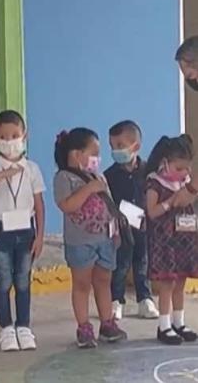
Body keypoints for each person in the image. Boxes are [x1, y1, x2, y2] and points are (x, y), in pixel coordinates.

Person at [0, 110, 44, 352]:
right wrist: (0, 176)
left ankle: (24, 326)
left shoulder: (32, 168)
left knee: (23, 280)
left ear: (25, 135)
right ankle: (6, 328)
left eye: (15, 135)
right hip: (1, 230)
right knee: (4, 279)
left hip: (26, 229)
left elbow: (39, 204)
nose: (10, 140)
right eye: (4, 136)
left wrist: (41, 235)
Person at [53, 128, 127, 349]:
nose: (97, 158)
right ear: (76, 154)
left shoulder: (99, 176)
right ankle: (84, 327)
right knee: (82, 284)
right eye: (93, 152)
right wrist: (89, 189)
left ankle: (107, 323)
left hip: (105, 239)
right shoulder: (64, 177)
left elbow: (109, 204)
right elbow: (66, 205)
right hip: (81, 242)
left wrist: (116, 231)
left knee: (104, 281)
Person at [143, 135, 198, 345]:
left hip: (184, 239)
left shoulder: (184, 183)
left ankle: (179, 322)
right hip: (164, 241)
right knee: (167, 282)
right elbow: (152, 211)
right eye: (180, 168)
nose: (185, 173)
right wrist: (170, 203)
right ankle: (164, 325)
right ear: (165, 163)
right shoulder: (155, 182)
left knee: (180, 281)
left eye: (187, 169)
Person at [105, 120, 158, 320]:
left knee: (142, 262)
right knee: (120, 264)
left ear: (135, 146)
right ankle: (116, 300)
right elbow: (107, 202)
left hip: (144, 227)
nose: (115, 151)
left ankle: (145, 299)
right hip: (120, 229)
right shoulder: (109, 175)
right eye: (112, 146)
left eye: (120, 146)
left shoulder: (148, 171)